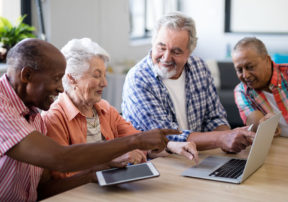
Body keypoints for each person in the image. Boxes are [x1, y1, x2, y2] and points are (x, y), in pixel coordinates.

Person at [0, 38, 179, 201]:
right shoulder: (4, 108)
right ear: (27, 76)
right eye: (56, 79)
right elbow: (61, 158)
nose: (61, 89)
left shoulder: (34, 117)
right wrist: (135, 141)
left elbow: (44, 190)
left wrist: (95, 172)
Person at [42, 38, 198, 180]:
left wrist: (172, 147)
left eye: (104, 75)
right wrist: (107, 162)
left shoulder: (105, 109)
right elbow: (62, 176)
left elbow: (139, 141)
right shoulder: (54, 117)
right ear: (71, 78)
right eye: (97, 76)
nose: (104, 83)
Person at [121, 12, 255, 153]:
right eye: (161, 48)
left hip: (195, 157)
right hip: (156, 162)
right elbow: (166, 137)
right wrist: (222, 138)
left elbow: (214, 118)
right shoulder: (138, 79)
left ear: (189, 52)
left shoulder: (199, 67)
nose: (166, 58)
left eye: (176, 51)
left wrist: (229, 140)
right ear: (153, 43)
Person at [232, 37, 288, 140]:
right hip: (280, 150)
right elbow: (255, 124)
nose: (245, 75)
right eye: (239, 70)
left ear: (267, 60)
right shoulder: (242, 91)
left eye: (250, 67)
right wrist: (264, 127)